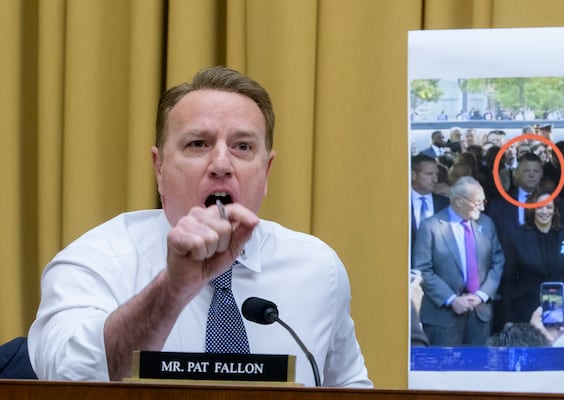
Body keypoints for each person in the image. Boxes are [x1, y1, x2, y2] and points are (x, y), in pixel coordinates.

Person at [27, 66, 372, 387]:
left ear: (266, 172)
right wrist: (172, 289)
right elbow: (67, 380)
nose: (221, 164)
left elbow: (350, 389)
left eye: (242, 146)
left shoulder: (318, 268)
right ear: (159, 168)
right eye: (198, 144)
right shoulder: (96, 261)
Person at [413, 176, 504, 346]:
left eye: (483, 201)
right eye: (477, 203)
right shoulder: (431, 226)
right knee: (443, 370)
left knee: (478, 369)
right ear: (459, 201)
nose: (482, 207)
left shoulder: (487, 224)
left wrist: (481, 295)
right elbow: (423, 269)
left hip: (479, 315)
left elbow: (498, 260)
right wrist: (451, 299)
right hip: (443, 317)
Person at [499, 189, 564, 326]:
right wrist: (508, 319)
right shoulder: (515, 237)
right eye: (539, 207)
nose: (544, 211)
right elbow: (508, 281)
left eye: (549, 207)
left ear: (555, 210)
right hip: (526, 313)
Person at [410, 154, 450, 251]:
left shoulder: (445, 204)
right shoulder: (400, 203)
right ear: (413, 175)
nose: (435, 180)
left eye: (436, 174)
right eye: (429, 174)